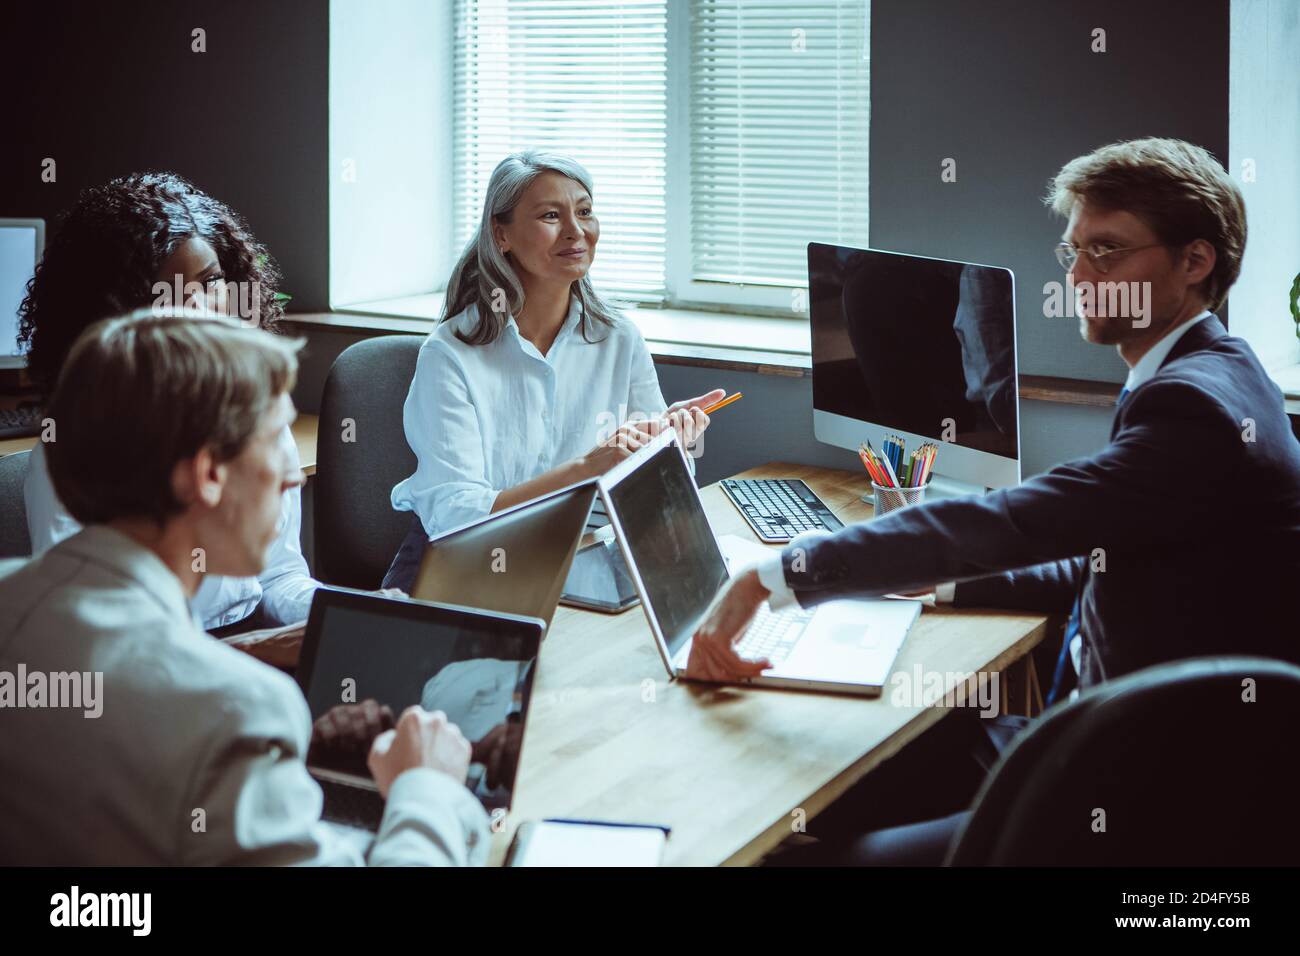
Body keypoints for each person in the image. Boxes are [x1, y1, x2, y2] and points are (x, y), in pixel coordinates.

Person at [688, 137, 1300, 863]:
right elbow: (1102, 558)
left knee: (802, 848)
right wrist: (941, 581)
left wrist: (776, 576)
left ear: (1195, 262)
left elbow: (1016, 519)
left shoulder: (1191, 412)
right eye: (1072, 252)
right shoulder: (1214, 368)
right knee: (831, 774)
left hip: (1137, 796)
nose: (1077, 276)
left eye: (1106, 252)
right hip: (1093, 739)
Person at [0, 312, 488, 865]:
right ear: (209, 474)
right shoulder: (233, 710)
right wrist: (428, 791)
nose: (292, 474)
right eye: (274, 438)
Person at [385, 149, 723, 590]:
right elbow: (456, 518)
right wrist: (587, 466)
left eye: (585, 212)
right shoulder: (450, 354)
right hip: (460, 568)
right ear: (500, 234)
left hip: (574, 559)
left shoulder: (619, 338)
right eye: (550, 216)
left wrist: (667, 446)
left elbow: (649, 497)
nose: (576, 231)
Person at [18, 172, 319, 633]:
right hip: (138, 664)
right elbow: (92, 631)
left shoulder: (263, 417)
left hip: (250, 640)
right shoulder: (75, 447)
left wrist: (340, 617)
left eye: (211, 281)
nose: (199, 308)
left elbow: (280, 577)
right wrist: (250, 653)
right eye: (169, 293)